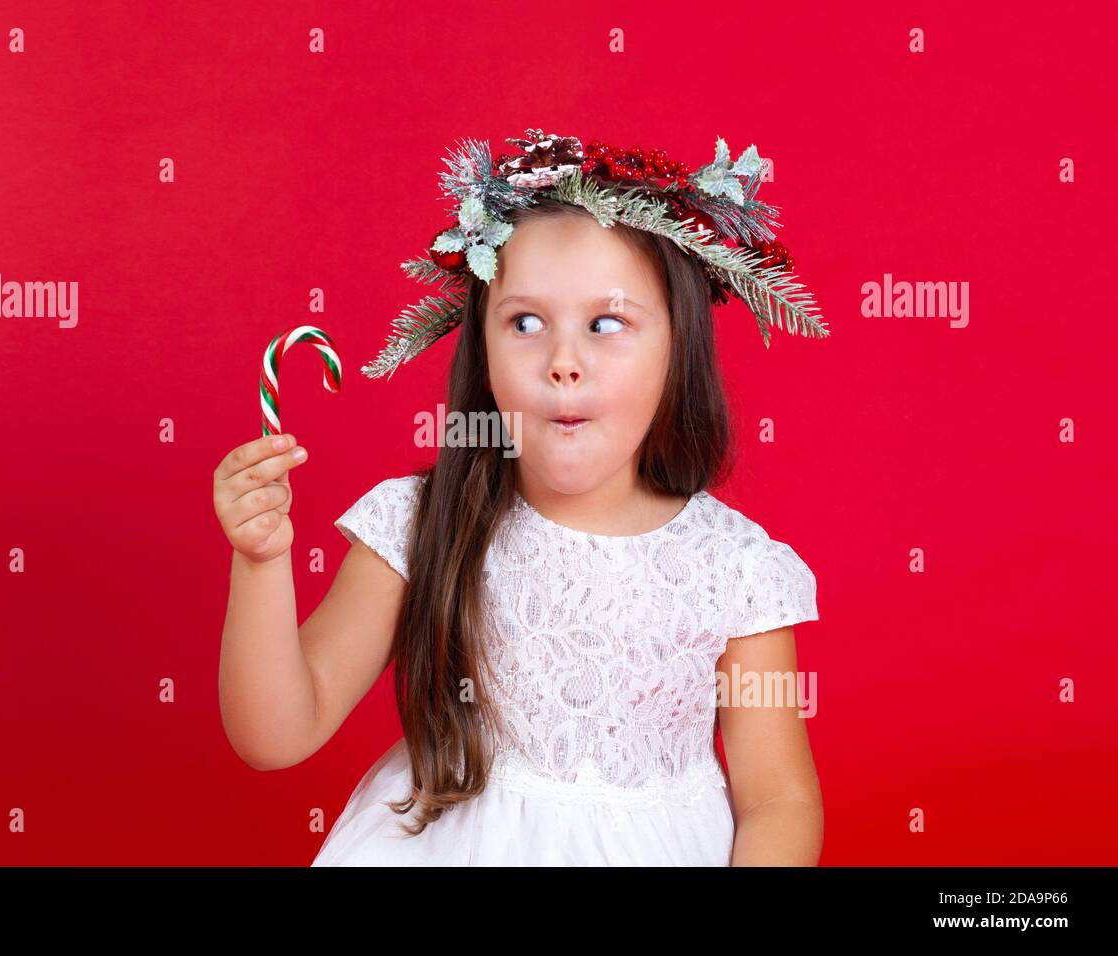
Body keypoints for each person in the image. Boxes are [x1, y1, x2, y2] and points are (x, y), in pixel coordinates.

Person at [214, 128, 829, 865]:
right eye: (526, 322)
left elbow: (778, 798)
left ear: (678, 348)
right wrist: (259, 564)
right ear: (483, 346)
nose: (563, 361)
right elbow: (277, 735)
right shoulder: (422, 523)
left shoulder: (735, 569)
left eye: (608, 324)